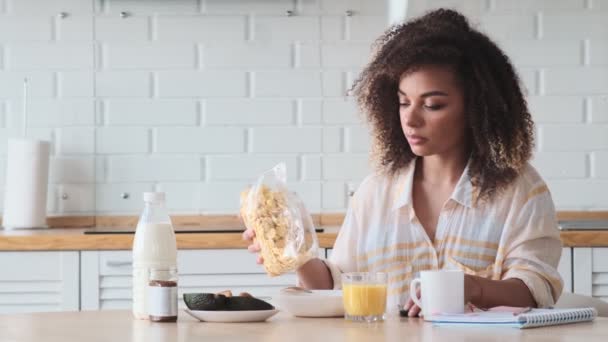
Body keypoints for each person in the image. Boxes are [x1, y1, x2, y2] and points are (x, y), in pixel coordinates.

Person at [243, 8, 563, 317]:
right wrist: (293, 253)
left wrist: (471, 288)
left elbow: (535, 291)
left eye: (433, 105)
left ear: (476, 107)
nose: (410, 119)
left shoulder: (520, 191)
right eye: (403, 102)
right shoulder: (376, 192)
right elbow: (335, 287)